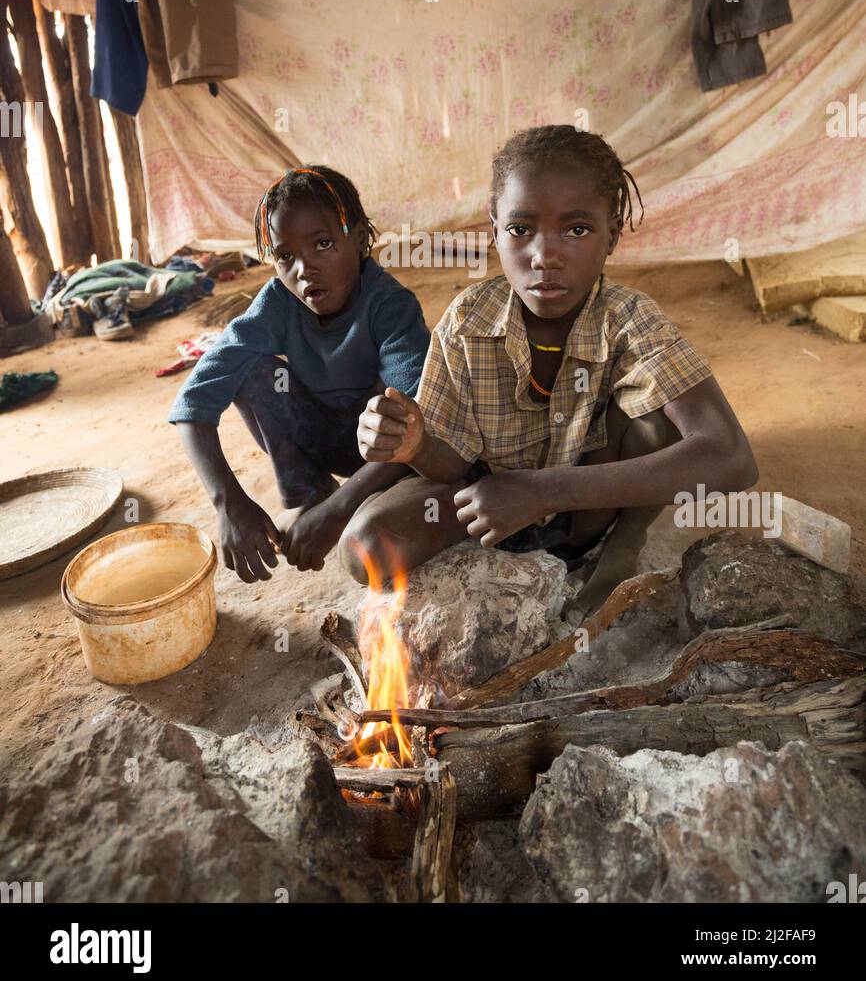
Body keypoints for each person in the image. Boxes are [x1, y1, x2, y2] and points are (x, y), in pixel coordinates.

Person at [344, 125, 758, 618]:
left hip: (589, 507)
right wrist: (414, 445)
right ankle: (513, 556)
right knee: (365, 547)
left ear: (612, 235)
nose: (545, 256)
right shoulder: (468, 320)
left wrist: (545, 490)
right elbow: (451, 465)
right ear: (493, 228)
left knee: (661, 418)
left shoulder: (629, 318)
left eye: (577, 229)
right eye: (520, 230)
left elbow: (732, 459)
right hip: (487, 504)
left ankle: (624, 543)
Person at [169, 165, 428, 583]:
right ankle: (311, 493)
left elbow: (419, 424)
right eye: (285, 255)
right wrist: (229, 503)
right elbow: (192, 403)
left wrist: (341, 509)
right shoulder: (277, 302)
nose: (304, 269)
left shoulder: (391, 306)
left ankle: (348, 501)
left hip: (387, 455)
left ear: (360, 239)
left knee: (401, 405)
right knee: (251, 369)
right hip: (324, 436)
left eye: (322, 244)